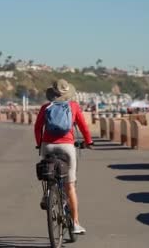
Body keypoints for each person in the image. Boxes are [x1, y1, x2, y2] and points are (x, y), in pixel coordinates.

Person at [34, 79, 94, 235]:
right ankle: (75, 223)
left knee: (48, 171)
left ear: (52, 93)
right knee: (70, 186)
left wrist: (39, 143)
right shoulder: (73, 106)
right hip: (67, 147)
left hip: (48, 145)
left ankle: (47, 193)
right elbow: (83, 126)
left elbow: (38, 127)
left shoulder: (46, 107)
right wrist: (88, 141)